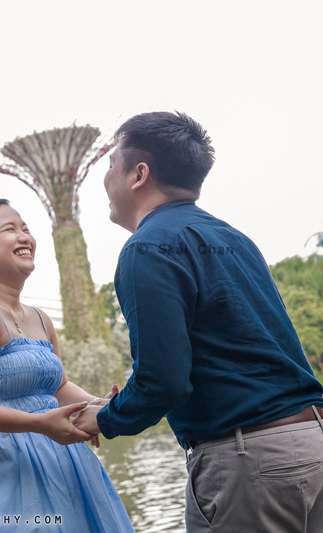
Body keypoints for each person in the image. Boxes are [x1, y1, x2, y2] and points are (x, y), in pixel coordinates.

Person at [72, 111, 323, 532]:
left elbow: (164, 380)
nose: (106, 177)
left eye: (110, 164)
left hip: (250, 463)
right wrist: (113, 404)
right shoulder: (234, 238)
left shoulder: (147, 248)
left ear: (139, 174)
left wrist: (104, 418)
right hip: (313, 440)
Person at [0, 198, 134, 532]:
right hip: (8, 465)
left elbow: (58, 387)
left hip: (62, 459)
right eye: (10, 229)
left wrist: (96, 405)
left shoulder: (40, 318)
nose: (24, 236)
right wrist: (38, 422)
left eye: (25, 228)